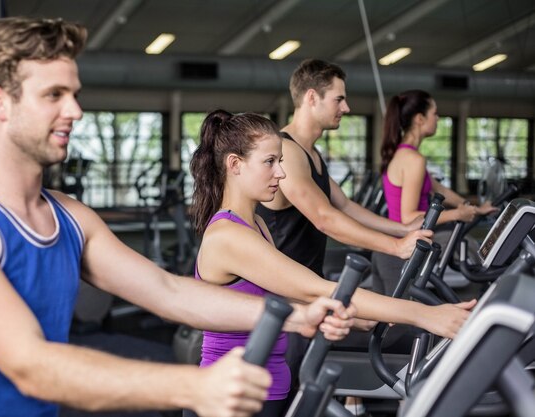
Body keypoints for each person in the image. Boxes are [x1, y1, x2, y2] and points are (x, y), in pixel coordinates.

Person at [0, 17, 352, 417]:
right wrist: (194, 385)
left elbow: (169, 292)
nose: (75, 111)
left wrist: (295, 314)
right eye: (53, 95)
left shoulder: (69, 216)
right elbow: (31, 364)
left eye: (74, 94)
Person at [188, 110, 474, 416]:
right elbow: (316, 289)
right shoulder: (229, 235)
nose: (281, 174)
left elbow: (286, 294)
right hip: (233, 398)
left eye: (280, 162)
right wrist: (425, 315)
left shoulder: (256, 222)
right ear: (235, 165)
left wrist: (351, 314)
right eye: (270, 162)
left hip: (265, 388)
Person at [253, 59, 468, 416]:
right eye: (339, 99)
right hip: (283, 298)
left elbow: (346, 207)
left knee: (304, 396)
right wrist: (395, 246)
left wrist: (402, 228)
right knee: (285, 402)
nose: (346, 107)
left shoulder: (311, 155)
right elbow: (325, 219)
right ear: (311, 97)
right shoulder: (286, 151)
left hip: (307, 293)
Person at [374, 89, 498, 296]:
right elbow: (409, 217)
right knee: (471, 247)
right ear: (420, 119)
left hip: (392, 247)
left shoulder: (404, 154)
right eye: (435, 113)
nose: (438, 118)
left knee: (380, 323)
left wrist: (474, 208)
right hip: (403, 248)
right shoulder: (413, 160)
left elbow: (439, 189)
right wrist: (458, 214)